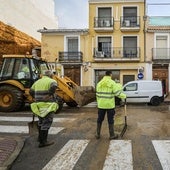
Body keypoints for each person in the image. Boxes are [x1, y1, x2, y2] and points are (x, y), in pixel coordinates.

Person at [29, 70, 58, 148]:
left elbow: (31, 91)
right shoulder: (52, 81)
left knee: (41, 122)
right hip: (48, 105)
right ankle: (43, 142)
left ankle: (40, 138)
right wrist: (49, 95)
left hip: (39, 105)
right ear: (51, 75)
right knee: (47, 122)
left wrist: (34, 97)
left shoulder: (37, 82)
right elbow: (54, 86)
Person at [95, 70, 126, 140]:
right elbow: (117, 93)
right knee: (110, 120)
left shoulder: (99, 83)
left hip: (101, 105)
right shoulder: (112, 83)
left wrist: (100, 102)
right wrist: (124, 96)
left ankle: (97, 134)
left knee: (99, 119)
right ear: (110, 75)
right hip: (110, 105)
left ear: (105, 75)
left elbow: (97, 94)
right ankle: (112, 135)